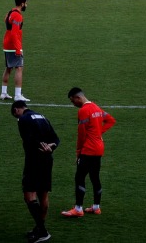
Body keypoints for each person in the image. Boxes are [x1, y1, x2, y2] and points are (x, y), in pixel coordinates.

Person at [60, 87, 117, 218]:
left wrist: (78, 152)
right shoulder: (96, 108)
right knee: (95, 177)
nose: (73, 104)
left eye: (72, 101)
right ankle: (96, 207)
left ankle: (78, 209)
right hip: (99, 148)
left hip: (88, 149)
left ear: (77, 97)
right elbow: (110, 120)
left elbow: (81, 134)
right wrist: (98, 133)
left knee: (79, 177)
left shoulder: (84, 111)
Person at [12, 100, 60, 243]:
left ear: (17, 110)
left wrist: (41, 146)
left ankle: (42, 230)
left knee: (29, 196)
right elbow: (56, 138)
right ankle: (39, 229)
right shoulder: (42, 116)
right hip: (47, 159)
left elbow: (29, 139)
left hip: (34, 160)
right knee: (43, 194)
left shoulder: (23, 119)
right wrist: (51, 147)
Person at [1, 0, 29, 102]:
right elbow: (14, 33)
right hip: (13, 45)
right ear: (22, 3)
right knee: (19, 68)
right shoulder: (18, 16)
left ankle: (3, 93)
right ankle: (17, 95)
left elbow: (5, 21)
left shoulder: (10, 12)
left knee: (8, 68)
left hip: (7, 44)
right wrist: (18, 48)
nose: (26, 5)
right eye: (26, 3)